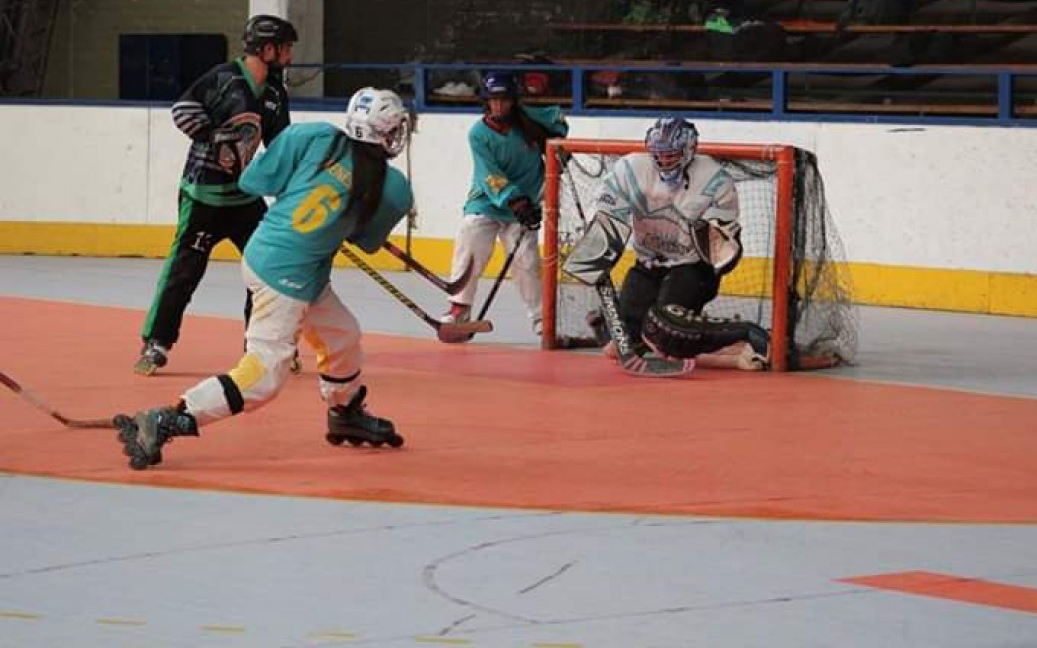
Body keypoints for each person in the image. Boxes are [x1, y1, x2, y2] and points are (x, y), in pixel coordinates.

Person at [113, 88, 413, 470]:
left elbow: (253, 181)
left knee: (343, 336)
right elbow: (367, 242)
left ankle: (345, 411)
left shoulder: (313, 136)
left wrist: (303, 186)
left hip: (275, 256)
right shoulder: (393, 190)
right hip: (284, 276)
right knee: (265, 375)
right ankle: (171, 417)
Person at [134, 14, 300, 376]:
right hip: (203, 197)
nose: (289, 58)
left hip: (244, 200)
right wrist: (213, 135)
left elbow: (281, 147)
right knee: (184, 272)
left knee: (266, 270)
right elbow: (183, 110)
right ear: (267, 49)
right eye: (285, 49)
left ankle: (260, 345)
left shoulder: (274, 94)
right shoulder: (225, 78)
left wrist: (294, 184)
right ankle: (157, 342)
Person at [579, 116, 770, 371]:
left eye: (672, 154)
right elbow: (606, 213)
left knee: (664, 330)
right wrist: (597, 247)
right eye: (659, 154)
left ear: (689, 151)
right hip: (647, 264)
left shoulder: (715, 179)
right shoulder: (631, 169)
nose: (664, 160)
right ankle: (725, 348)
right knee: (619, 346)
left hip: (691, 268)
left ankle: (744, 332)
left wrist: (721, 248)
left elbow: (722, 247)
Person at [440, 71, 568, 338]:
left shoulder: (530, 119)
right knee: (470, 236)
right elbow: (490, 175)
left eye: (504, 100)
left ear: (513, 100)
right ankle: (459, 307)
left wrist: (556, 146)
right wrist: (516, 200)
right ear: (485, 102)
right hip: (488, 201)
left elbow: (559, 122)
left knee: (526, 261)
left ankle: (541, 319)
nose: (499, 106)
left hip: (527, 204)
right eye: (493, 100)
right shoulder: (478, 134)